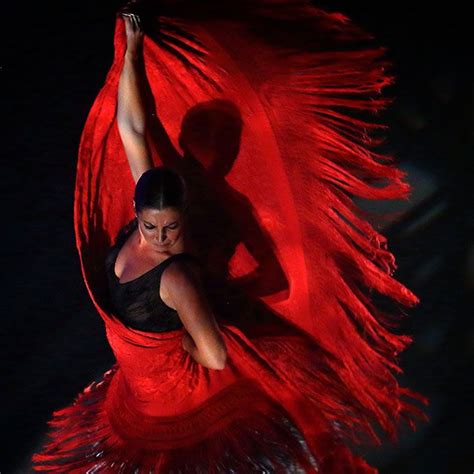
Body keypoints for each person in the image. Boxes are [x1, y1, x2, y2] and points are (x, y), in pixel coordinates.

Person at [32, 3, 429, 472]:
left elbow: (215, 356)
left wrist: (171, 345)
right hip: (139, 376)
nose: (160, 236)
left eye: (172, 228)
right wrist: (134, 48)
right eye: (151, 226)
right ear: (138, 211)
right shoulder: (153, 199)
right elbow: (132, 127)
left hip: (171, 388)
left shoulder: (177, 274)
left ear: (184, 220)